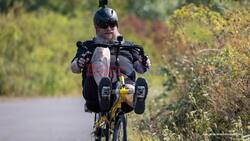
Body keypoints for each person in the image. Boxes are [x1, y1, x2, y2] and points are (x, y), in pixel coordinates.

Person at [70, 5, 151, 114]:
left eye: (112, 24)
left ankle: (136, 101)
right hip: (96, 95)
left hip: (123, 95)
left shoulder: (129, 46)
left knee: (129, 89)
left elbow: (141, 69)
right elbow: (74, 67)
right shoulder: (88, 46)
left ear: (117, 26)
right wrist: (79, 63)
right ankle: (104, 90)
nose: (108, 28)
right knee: (102, 50)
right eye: (104, 25)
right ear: (97, 28)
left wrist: (145, 62)